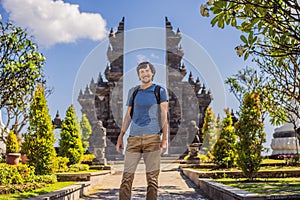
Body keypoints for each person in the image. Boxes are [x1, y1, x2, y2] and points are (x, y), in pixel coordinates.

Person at [116, 61, 169, 200]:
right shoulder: (133, 92)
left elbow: (164, 115)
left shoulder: (159, 91)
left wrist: (164, 139)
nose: (145, 74)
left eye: (147, 71)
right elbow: (128, 115)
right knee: (126, 177)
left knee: (152, 179)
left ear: (152, 73)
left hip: (152, 138)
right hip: (133, 139)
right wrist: (121, 136)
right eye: (142, 72)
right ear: (139, 76)